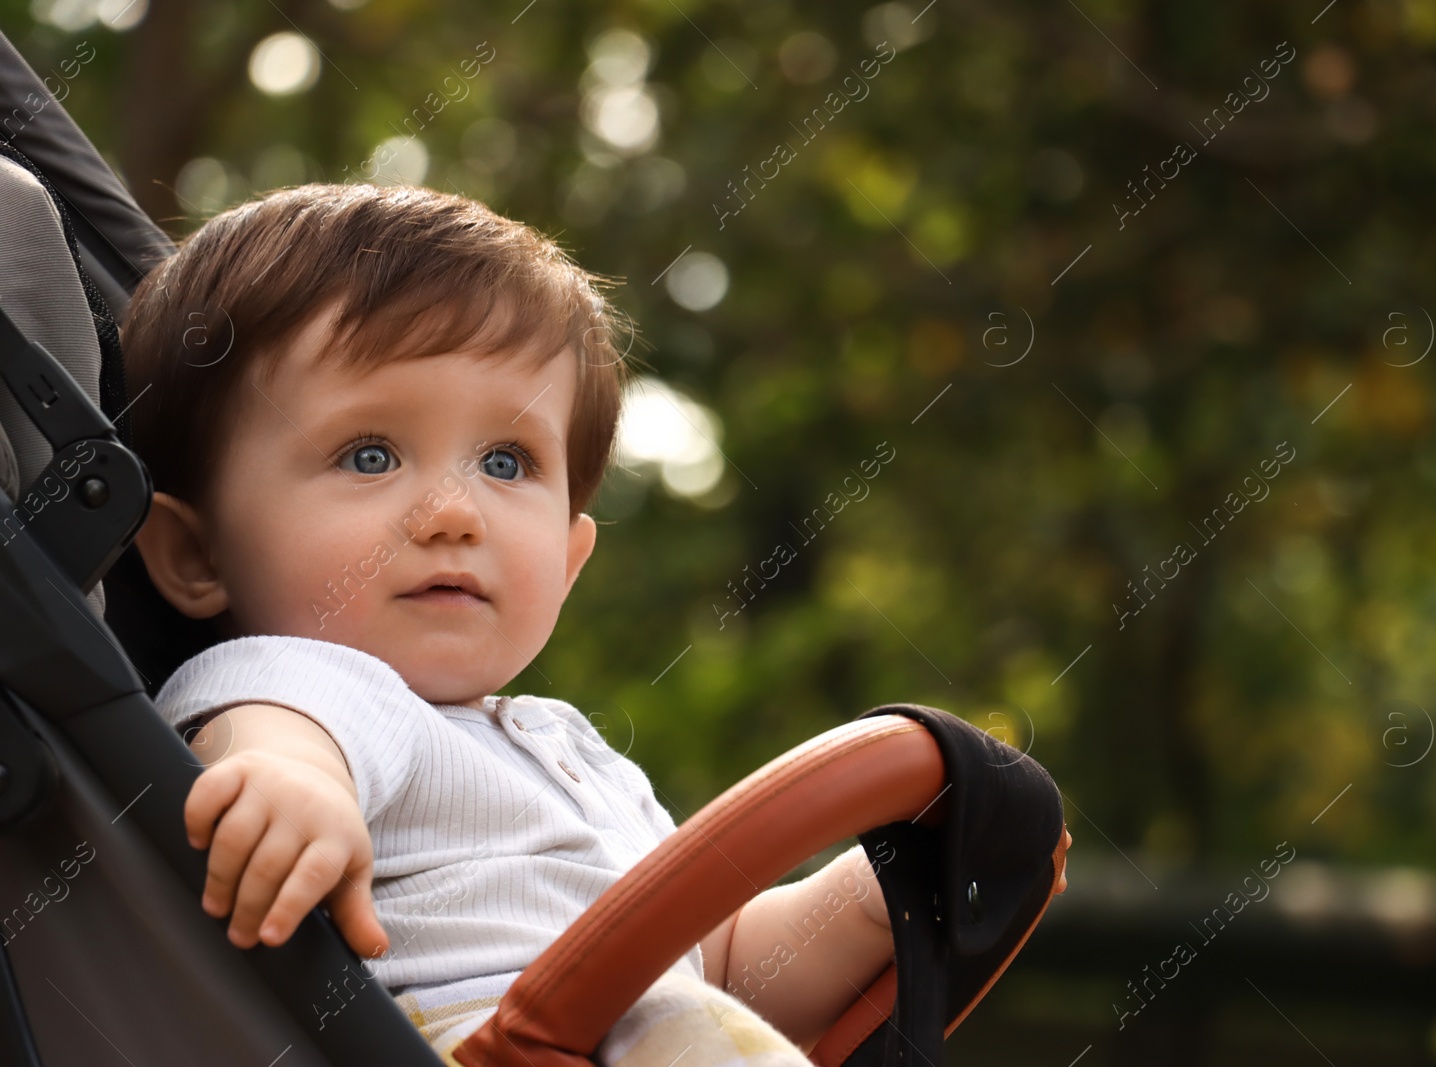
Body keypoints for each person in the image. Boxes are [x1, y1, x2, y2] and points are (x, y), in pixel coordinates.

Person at [122, 182, 894, 1065]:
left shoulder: (570, 749)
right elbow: (273, 740)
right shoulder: (308, 681)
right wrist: (294, 791)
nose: (454, 511)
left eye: (507, 460)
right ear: (197, 555)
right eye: (369, 454)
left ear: (568, 561)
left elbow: (712, 961)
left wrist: (868, 899)